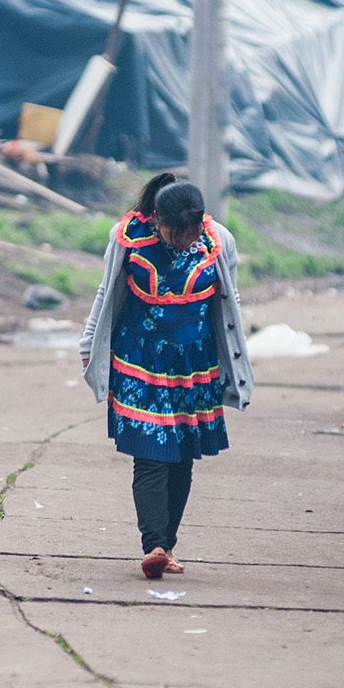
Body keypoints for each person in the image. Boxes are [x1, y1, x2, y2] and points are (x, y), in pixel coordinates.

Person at [80, 173, 252, 579]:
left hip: (195, 365)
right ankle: (153, 544)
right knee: (151, 453)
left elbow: (231, 297)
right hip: (140, 358)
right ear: (157, 219)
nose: (185, 240)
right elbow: (106, 292)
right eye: (177, 232)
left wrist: (238, 355)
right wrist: (89, 345)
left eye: (192, 232)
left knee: (182, 457)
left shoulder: (218, 241)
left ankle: (166, 545)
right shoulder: (127, 238)